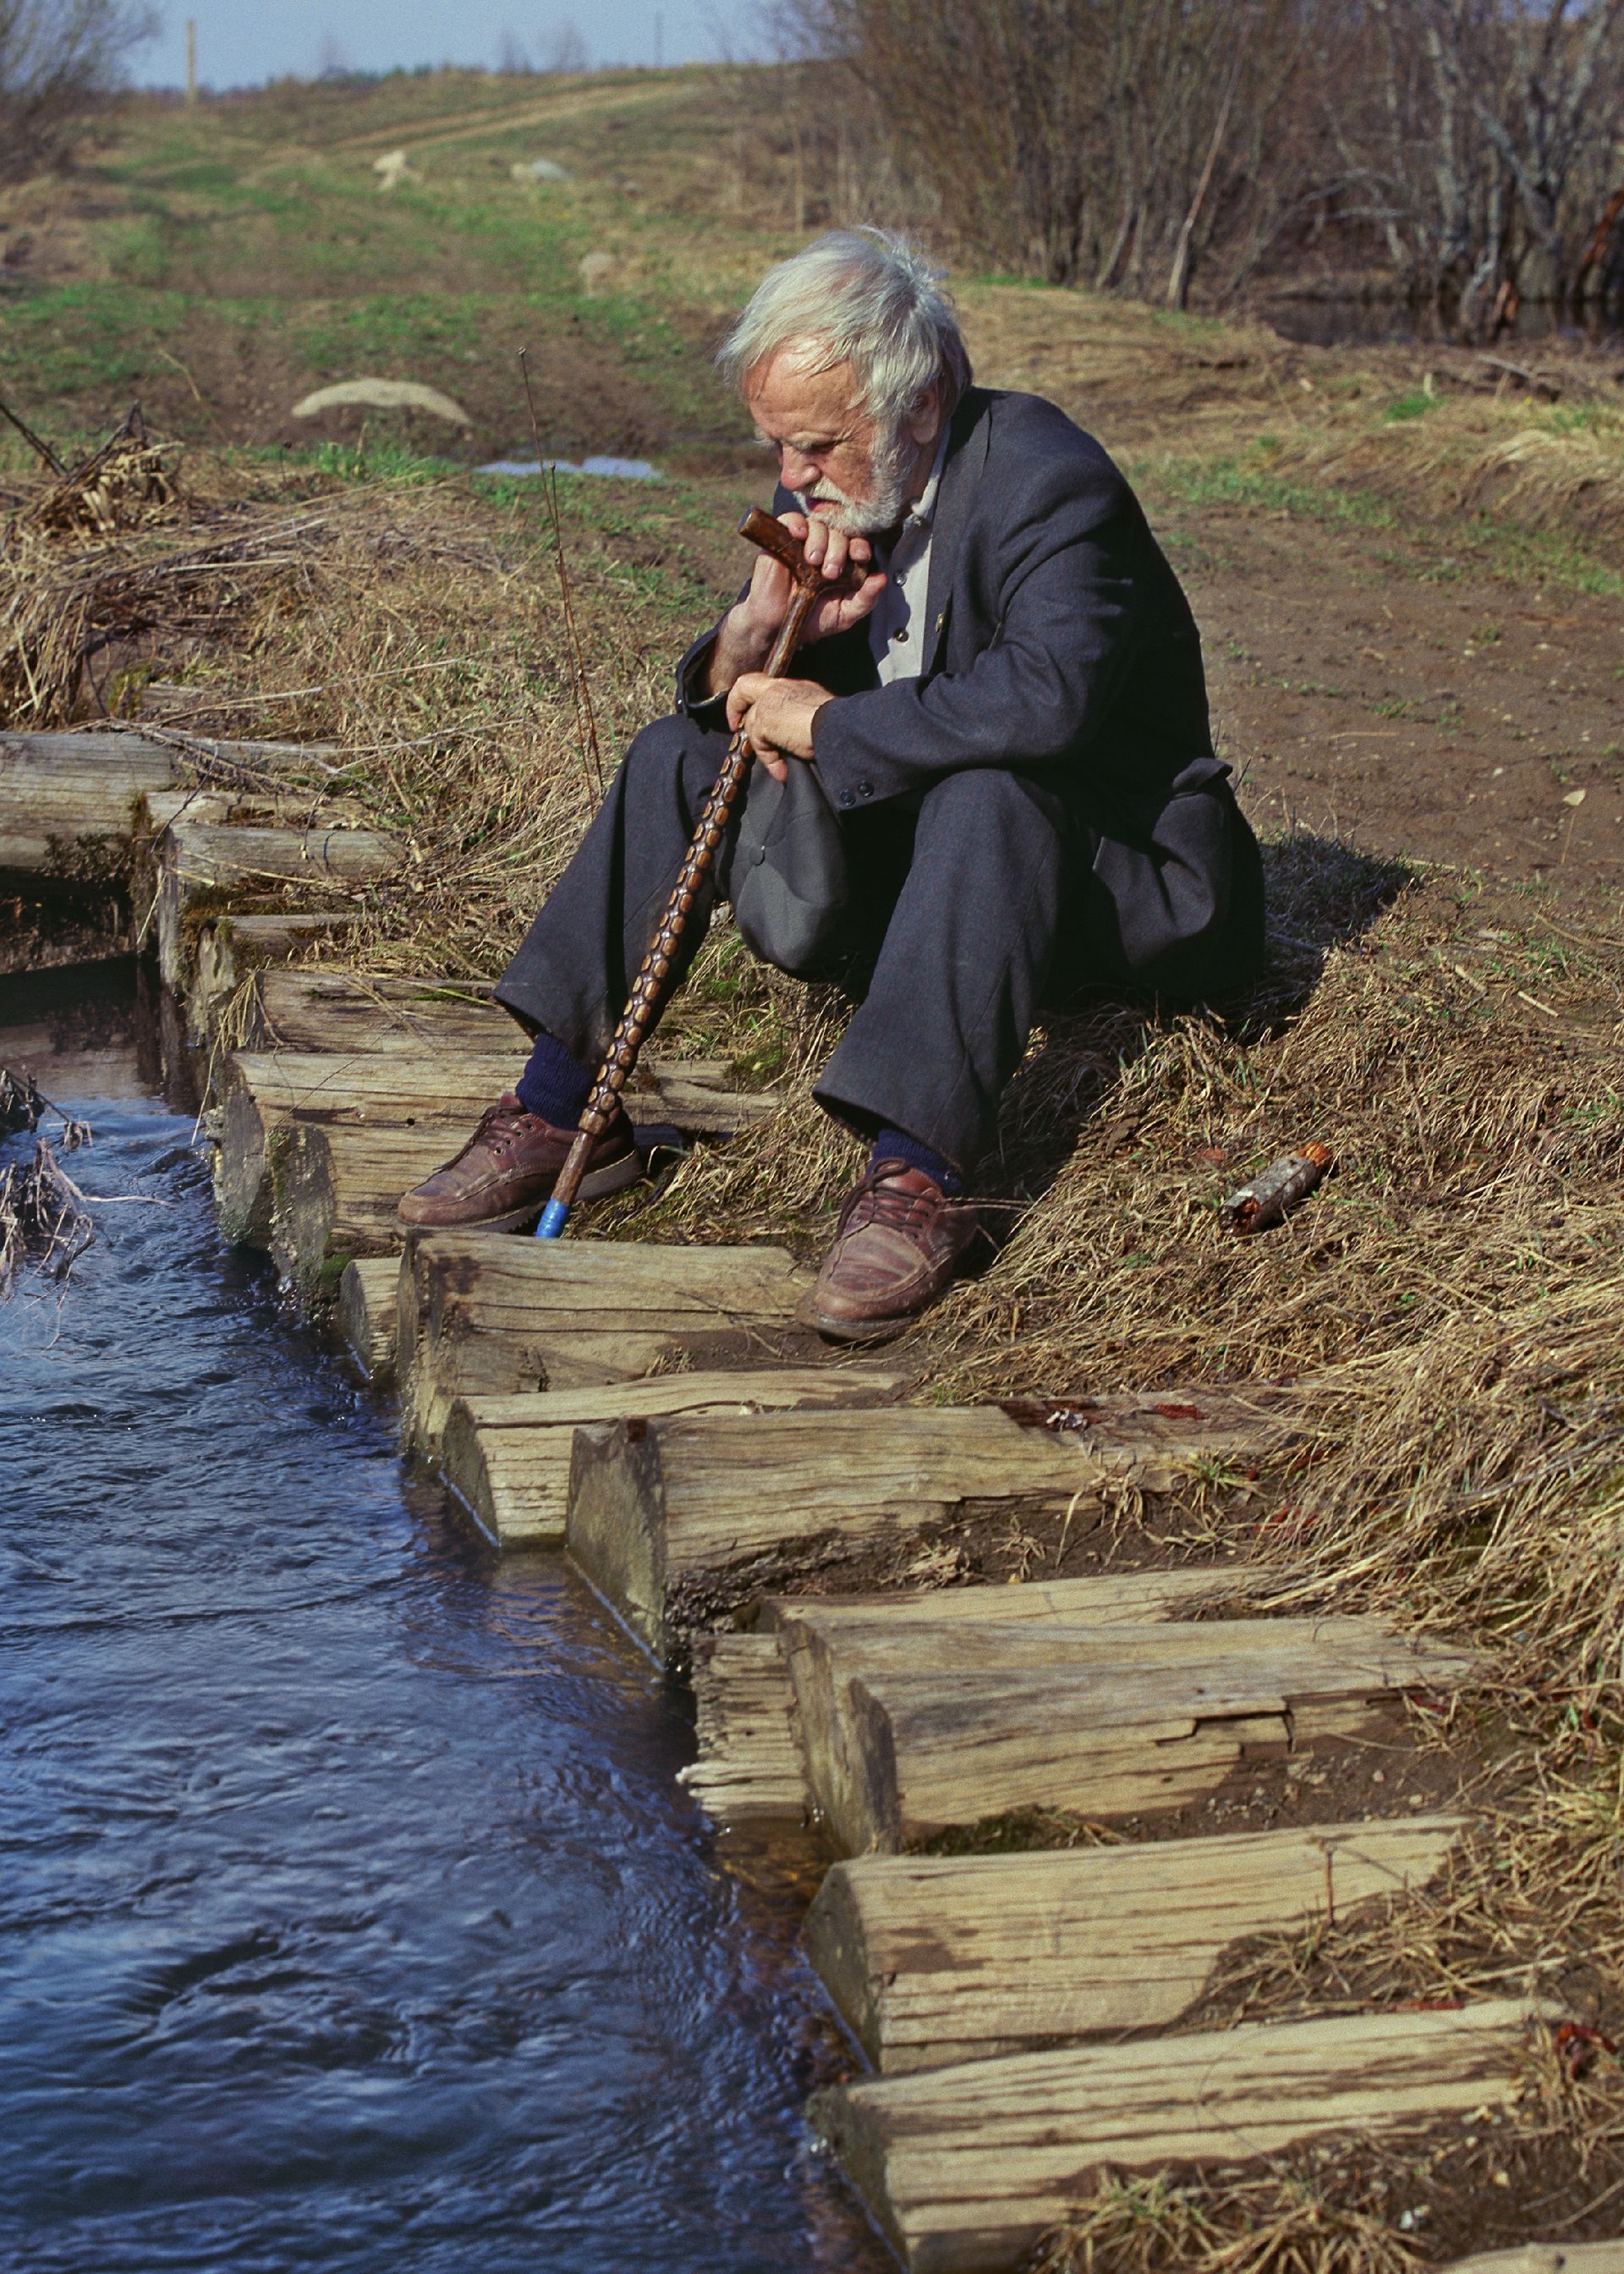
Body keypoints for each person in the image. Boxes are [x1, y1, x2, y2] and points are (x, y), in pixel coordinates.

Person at [398, 228, 1264, 1340]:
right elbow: (739, 709)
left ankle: (916, 1179)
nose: (792, 477)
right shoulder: (853, 493)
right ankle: (564, 1110)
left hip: (1127, 889)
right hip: (960, 890)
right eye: (776, 446)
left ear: (918, 402)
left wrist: (834, 721)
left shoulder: (1051, 482)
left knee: (992, 789)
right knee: (681, 753)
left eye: (815, 445)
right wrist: (757, 634)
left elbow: (1048, 702)